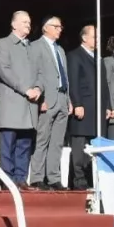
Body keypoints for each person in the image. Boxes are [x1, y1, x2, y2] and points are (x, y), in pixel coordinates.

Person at [0, 11, 39, 188]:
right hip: (12, 102)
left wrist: (38, 87)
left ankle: (20, 178)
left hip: (30, 104)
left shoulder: (32, 47)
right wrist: (25, 89)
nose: (28, 24)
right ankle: (7, 179)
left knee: (24, 143)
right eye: (24, 22)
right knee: (8, 143)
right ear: (14, 24)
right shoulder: (3, 43)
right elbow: (3, 70)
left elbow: (40, 71)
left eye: (29, 22)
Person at [28, 15, 71, 191]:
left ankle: (54, 177)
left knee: (58, 141)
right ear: (46, 28)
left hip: (62, 97)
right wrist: (41, 99)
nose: (60, 29)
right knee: (42, 139)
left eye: (61, 27)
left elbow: (64, 76)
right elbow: (34, 73)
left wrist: (69, 100)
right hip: (47, 98)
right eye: (56, 26)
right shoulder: (35, 46)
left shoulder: (60, 50)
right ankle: (37, 177)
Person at [66, 25, 109, 190]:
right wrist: (77, 103)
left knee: (94, 146)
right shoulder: (75, 56)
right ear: (84, 38)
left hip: (98, 108)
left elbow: (104, 84)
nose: (97, 40)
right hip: (84, 107)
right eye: (94, 36)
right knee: (79, 147)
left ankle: (92, 179)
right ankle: (79, 181)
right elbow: (74, 81)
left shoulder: (98, 58)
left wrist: (108, 105)